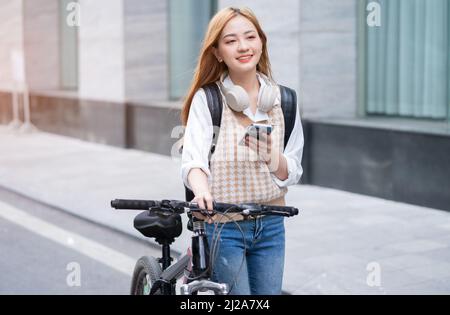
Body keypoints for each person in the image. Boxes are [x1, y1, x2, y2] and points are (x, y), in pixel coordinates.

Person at [180, 6, 304, 295]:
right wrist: (201, 191)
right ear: (219, 52)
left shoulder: (285, 100)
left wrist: (272, 156)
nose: (243, 46)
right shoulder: (208, 99)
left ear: (261, 42)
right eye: (231, 40)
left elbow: (293, 170)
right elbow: (193, 161)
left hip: (272, 225)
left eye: (250, 37)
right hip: (224, 228)